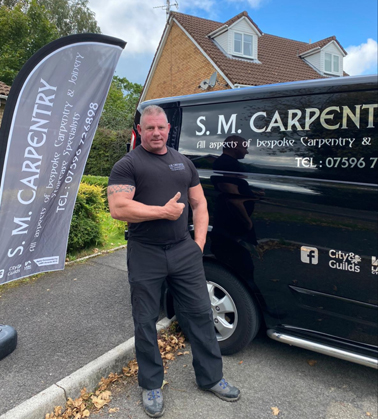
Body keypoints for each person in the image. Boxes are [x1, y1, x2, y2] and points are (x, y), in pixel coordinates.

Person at [107, 105, 240, 418]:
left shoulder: (183, 162)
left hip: (184, 251)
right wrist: (161, 213)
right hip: (145, 251)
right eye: (149, 128)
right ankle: (151, 384)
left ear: (169, 129)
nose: (156, 133)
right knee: (145, 320)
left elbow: (199, 202)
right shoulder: (127, 165)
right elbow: (118, 208)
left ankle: (211, 378)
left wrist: (199, 245)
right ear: (140, 129)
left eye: (161, 128)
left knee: (200, 314)